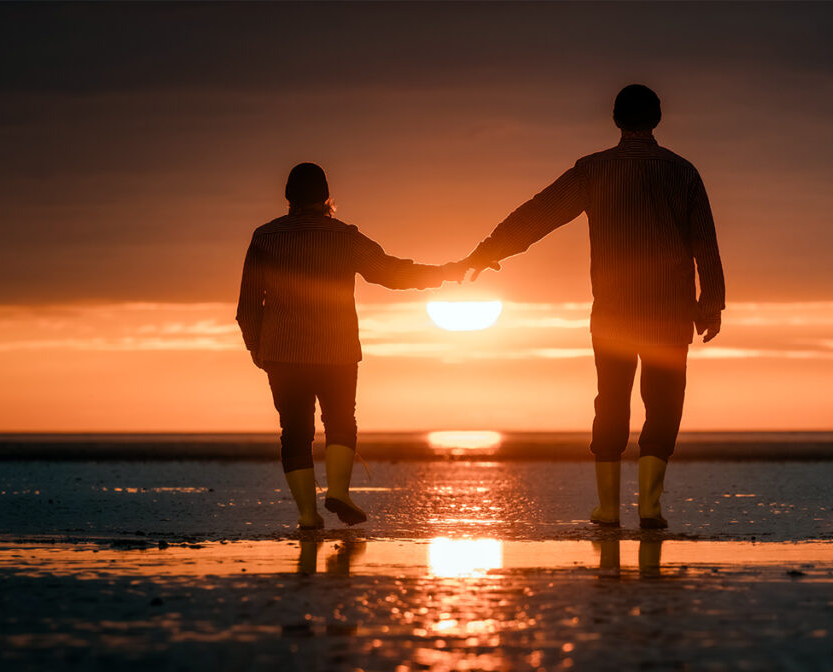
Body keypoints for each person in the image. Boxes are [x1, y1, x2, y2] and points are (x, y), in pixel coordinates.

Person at [462, 85, 725, 529]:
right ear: (657, 119)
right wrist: (711, 304)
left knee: (611, 404)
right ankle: (650, 507)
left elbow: (539, 213)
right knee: (663, 405)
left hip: (614, 313)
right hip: (669, 312)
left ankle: (607, 508)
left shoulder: (594, 170)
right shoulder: (683, 172)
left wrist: (489, 250)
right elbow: (705, 243)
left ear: (616, 120)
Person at [237, 163, 464, 529]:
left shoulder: (265, 237)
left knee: (294, 431)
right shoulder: (344, 236)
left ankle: (308, 516)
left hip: (282, 352)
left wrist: (256, 347)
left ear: (288, 198)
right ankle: (339, 492)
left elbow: (248, 304)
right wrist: (443, 272)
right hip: (337, 349)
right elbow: (391, 272)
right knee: (341, 421)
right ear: (327, 197)